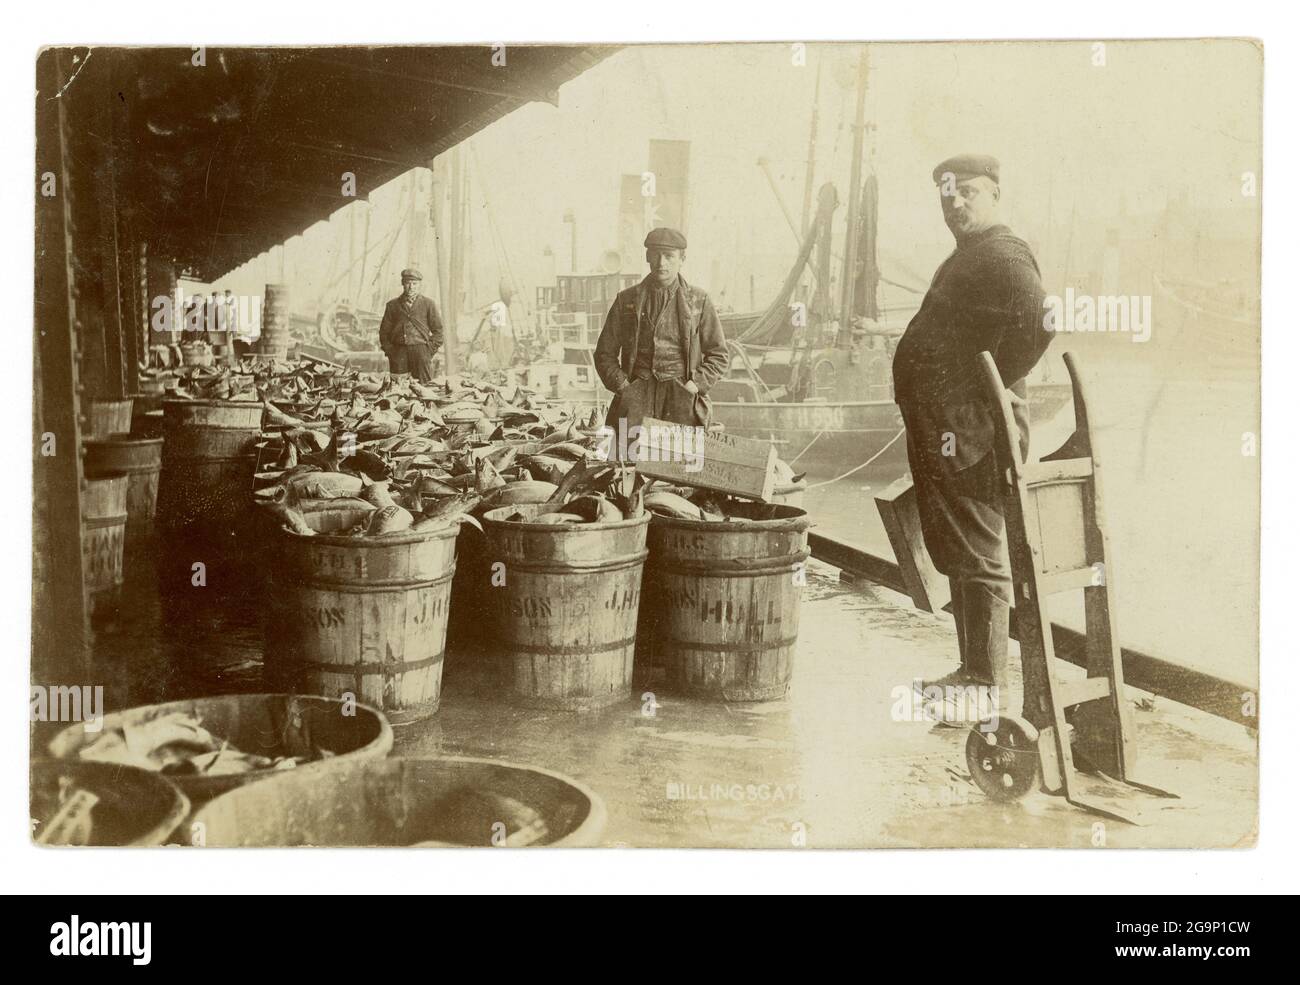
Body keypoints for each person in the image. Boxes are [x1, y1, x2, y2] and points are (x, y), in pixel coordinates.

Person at [892, 154, 1052, 707]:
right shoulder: (971, 255)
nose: (955, 203)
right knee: (960, 549)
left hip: (973, 432)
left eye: (969, 193)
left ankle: (986, 683)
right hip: (950, 430)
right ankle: (972, 672)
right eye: (947, 195)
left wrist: (979, 394)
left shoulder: (1004, 256)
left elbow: (1038, 325)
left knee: (980, 550)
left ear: (995, 195)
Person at [594, 227, 728, 436]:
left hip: (681, 397)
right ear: (648, 256)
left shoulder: (699, 301)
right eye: (655, 255)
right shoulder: (626, 300)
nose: (661, 263)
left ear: (682, 258)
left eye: (669, 256)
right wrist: (623, 386)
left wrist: (695, 385)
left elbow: (719, 355)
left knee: (679, 464)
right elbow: (604, 354)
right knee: (627, 461)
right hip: (637, 396)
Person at [379, 268, 443, 381]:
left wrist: (428, 351)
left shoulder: (428, 304)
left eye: (415, 283)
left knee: (424, 387)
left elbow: (439, 331)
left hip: (421, 352)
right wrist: (390, 352)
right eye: (408, 283)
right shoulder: (392, 305)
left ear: (420, 285)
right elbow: (384, 333)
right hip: (398, 353)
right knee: (398, 389)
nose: (411, 287)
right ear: (403, 284)